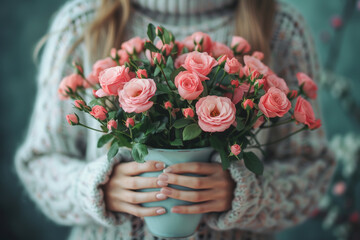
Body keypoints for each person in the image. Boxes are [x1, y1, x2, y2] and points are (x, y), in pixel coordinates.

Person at [15, 0, 336, 239]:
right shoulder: (83, 22)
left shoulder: (279, 26)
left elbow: (312, 168)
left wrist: (246, 196)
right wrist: (95, 190)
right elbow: (39, 163)